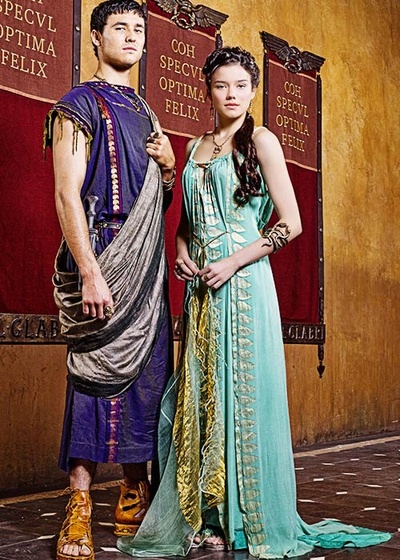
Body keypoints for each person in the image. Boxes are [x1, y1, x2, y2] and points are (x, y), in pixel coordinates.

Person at [116, 46, 391, 559]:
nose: (231, 94)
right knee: (203, 398)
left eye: (241, 86)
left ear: (253, 91)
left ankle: (246, 520)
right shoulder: (195, 146)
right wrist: (182, 254)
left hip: (244, 287)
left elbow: (292, 222)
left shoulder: (262, 139)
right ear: (207, 90)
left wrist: (233, 262)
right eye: (222, 85)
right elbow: (186, 224)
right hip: (201, 290)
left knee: (242, 396)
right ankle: (208, 517)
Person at [43, 2, 175, 559]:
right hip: (102, 253)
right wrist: (91, 272)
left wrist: (168, 168)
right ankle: (78, 505)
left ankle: (132, 495)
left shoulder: (146, 111)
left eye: (139, 29)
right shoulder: (77, 105)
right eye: (120, 28)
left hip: (147, 264)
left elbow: (158, 200)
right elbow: (65, 193)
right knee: (93, 379)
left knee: (148, 374)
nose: (132, 36)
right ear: (96, 38)